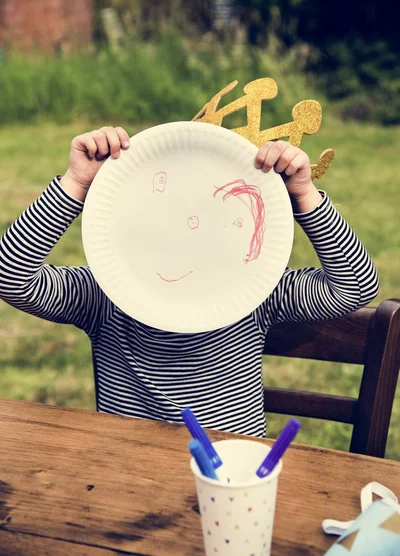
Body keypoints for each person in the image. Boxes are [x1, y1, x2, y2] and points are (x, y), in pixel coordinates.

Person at [0, 126, 379, 437]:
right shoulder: (104, 294)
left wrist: (303, 196)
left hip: (228, 475)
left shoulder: (255, 292)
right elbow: (10, 276)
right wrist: (76, 184)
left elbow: (357, 287)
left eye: (196, 225)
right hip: (125, 474)